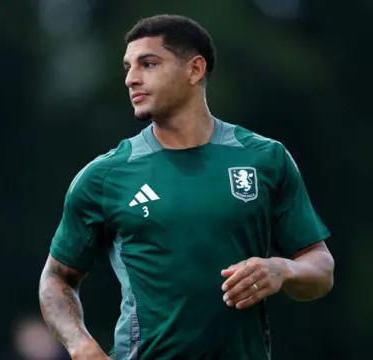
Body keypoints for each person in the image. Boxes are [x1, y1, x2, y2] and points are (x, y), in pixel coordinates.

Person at [38, 14, 335, 360]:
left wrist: (282, 270)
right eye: (128, 67)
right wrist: (80, 345)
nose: (132, 78)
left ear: (194, 70)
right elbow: (56, 279)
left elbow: (321, 269)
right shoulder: (104, 176)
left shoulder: (266, 159)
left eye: (148, 64)